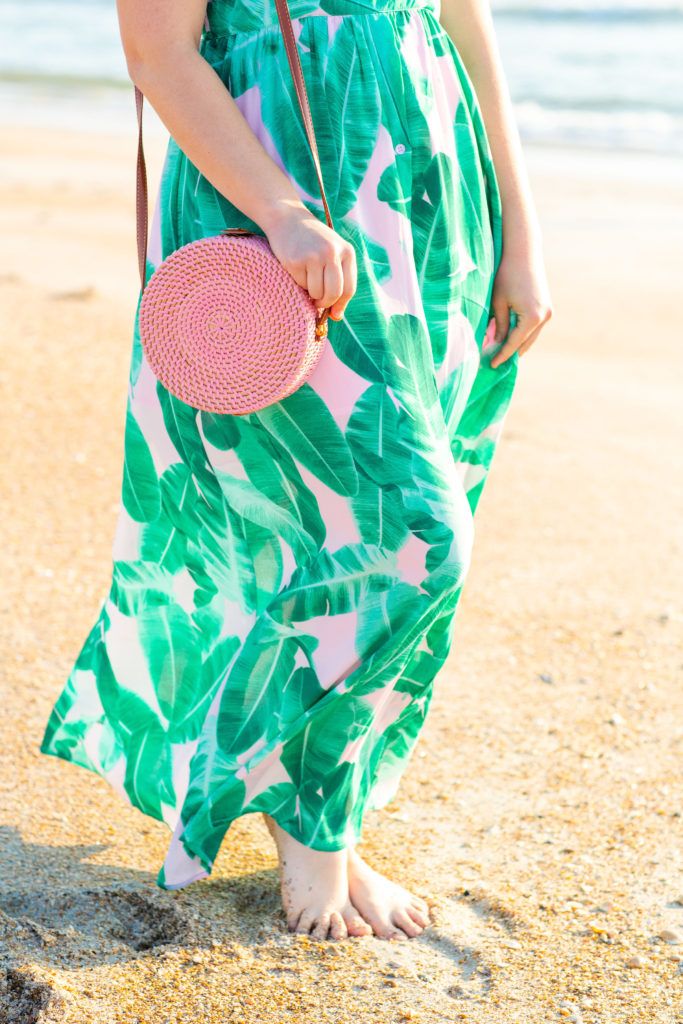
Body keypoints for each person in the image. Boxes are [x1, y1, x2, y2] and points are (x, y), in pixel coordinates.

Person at [40, 0, 552, 943]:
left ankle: (330, 817)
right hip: (286, 213)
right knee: (410, 537)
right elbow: (157, 49)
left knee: (365, 528)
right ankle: (310, 827)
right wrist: (280, 212)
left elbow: (466, 31)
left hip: (427, 204)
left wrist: (520, 233)